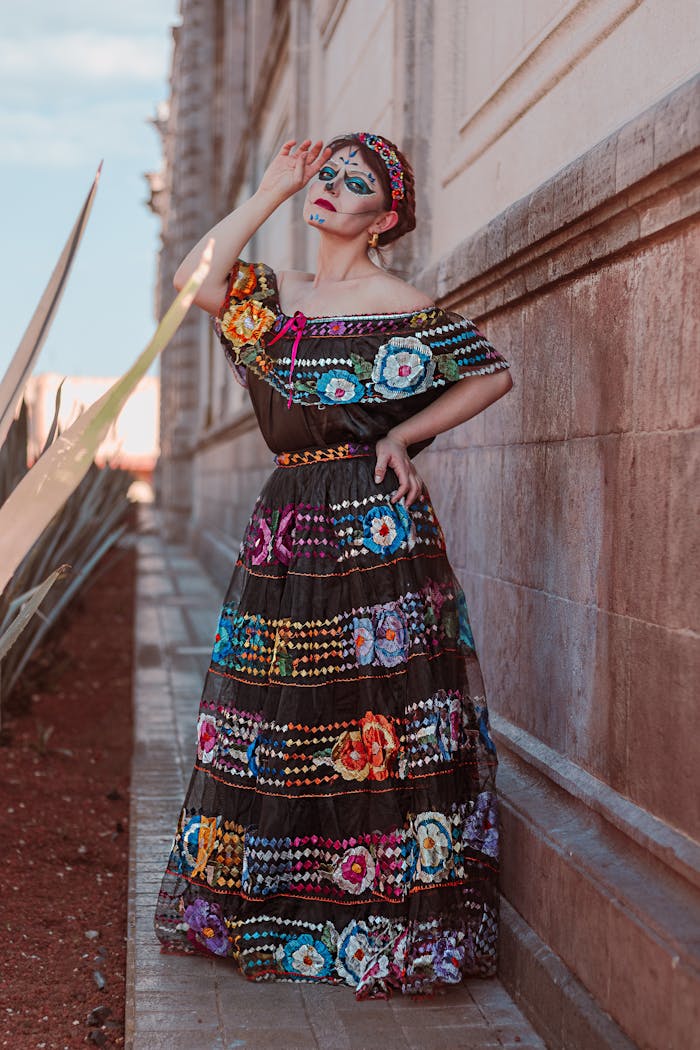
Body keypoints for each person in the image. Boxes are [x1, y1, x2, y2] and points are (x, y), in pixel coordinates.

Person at [154, 132, 514, 1000]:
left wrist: (401, 431)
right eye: (327, 173)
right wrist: (272, 186)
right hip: (286, 528)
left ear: (382, 215)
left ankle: (372, 920)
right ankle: (283, 910)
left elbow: (491, 373)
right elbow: (194, 279)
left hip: (374, 532)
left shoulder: (401, 306)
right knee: (283, 715)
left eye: (354, 183)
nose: (331, 188)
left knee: (371, 721)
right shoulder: (276, 301)